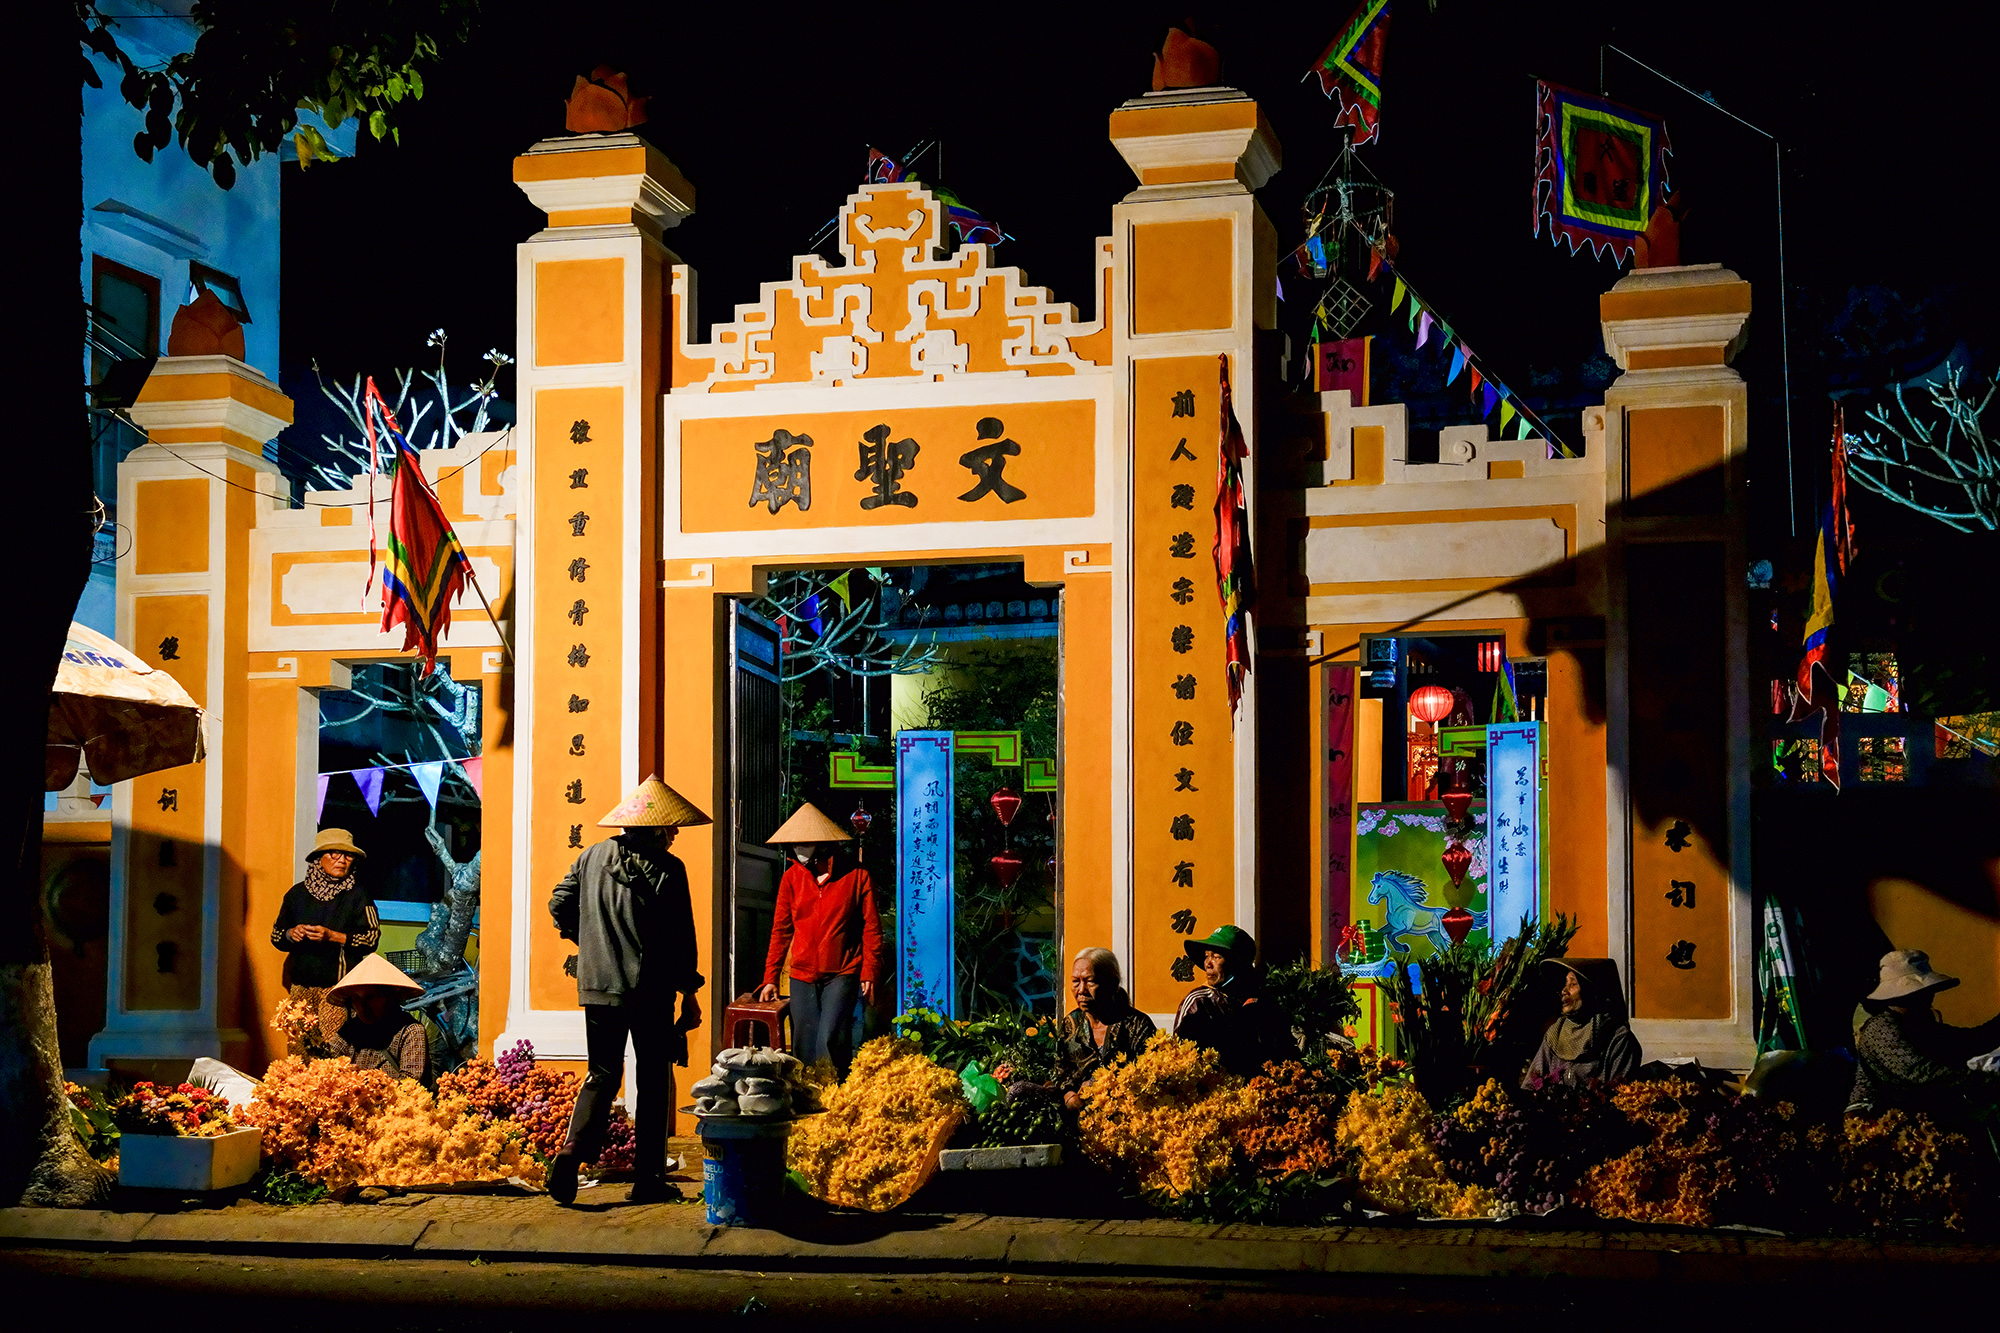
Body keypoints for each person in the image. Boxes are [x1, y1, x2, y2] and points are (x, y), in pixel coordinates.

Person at [546, 775, 708, 1206]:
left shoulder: (591, 856)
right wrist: (689, 992)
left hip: (597, 986)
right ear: (654, 827)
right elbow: (680, 937)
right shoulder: (670, 869)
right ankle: (648, 1179)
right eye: (670, 826)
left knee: (602, 1074)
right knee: (654, 1079)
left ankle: (571, 1152)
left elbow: (558, 903)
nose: (674, 833)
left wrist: (589, 940)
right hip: (648, 991)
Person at [754, 802, 885, 1078]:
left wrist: (870, 970)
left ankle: (832, 1104)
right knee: (805, 1046)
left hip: (843, 971)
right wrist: (770, 977)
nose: (799, 849)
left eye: (806, 843)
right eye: (796, 844)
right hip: (802, 973)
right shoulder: (791, 879)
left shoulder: (857, 875)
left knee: (831, 1039)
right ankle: (807, 1107)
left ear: (823, 844)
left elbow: (872, 927)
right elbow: (781, 930)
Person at [1848, 949, 2000, 1118]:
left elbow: (1969, 1042)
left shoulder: (1919, 1023)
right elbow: (1919, 1072)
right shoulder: (1882, 1028)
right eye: (1925, 991)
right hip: (1911, 1126)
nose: (1931, 996)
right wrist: (1983, 1077)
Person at [269, 829, 380, 1057]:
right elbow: (277, 935)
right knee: (298, 1050)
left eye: (348, 856)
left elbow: (371, 938)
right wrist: (292, 933)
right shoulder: (296, 895)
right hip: (300, 989)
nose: (342, 860)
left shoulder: (357, 896)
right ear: (319, 859)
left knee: (334, 1050)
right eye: (334, 854)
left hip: (337, 990)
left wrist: (333, 936)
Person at [1174, 925, 1291, 1077]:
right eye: (1206, 956)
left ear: (1237, 962)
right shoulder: (1199, 1003)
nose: (1208, 964)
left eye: (1216, 957)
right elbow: (1182, 1058)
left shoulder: (1263, 1001)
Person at [1052, 947, 1156, 1108]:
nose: (1081, 990)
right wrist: (1069, 1095)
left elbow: (1150, 1073)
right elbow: (1060, 1072)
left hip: (1127, 1111)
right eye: (1075, 981)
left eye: (1090, 981)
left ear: (1112, 984)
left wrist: (1101, 1085)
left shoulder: (1137, 1025)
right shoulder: (1070, 1024)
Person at [1522, 958, 1642, 1089]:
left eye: (1572, 984)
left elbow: (1618, 1094)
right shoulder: (1556, 1033)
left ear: (1592, 991)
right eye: (1564, 983)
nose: (1564, 991)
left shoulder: (1617, 1038)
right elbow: (1531, 1083)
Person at [318, 953, 428, 1081]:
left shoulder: (410, 1031)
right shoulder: (350, 1030)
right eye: (356, 999)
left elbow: (410, 1083)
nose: (362, 1006)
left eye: (370, 998)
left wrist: (366, 1081)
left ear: (389, 997)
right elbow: (327, 1061)